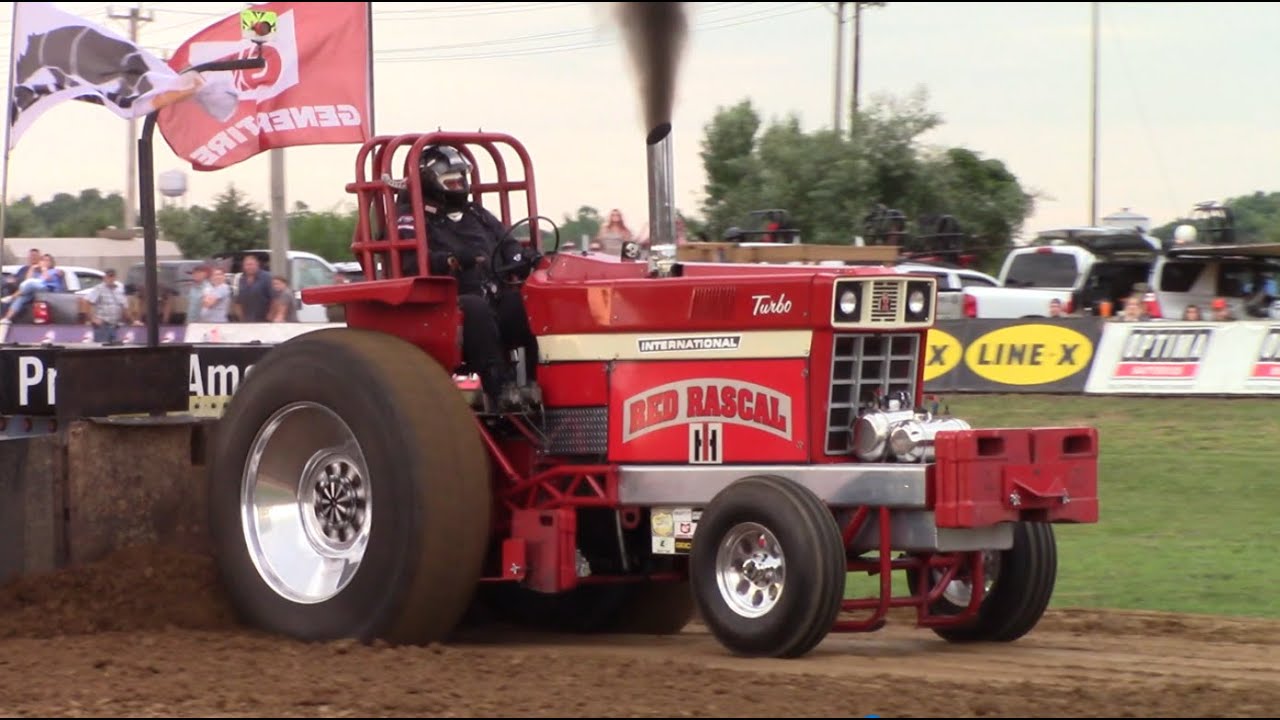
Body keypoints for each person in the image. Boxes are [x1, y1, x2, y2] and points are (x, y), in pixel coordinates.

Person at [394, 144, 539, 410]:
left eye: (461, 180)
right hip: (447, 300)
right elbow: (411, 260)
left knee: (522, 303)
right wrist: (451, 259)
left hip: (492, 290)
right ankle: (499, 389)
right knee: (476, 308)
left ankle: (531, 382)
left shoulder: (476, 214)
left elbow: (507, 242)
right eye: (452, 181)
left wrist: (521, 257)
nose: (459, 185)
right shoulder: (412, 218)